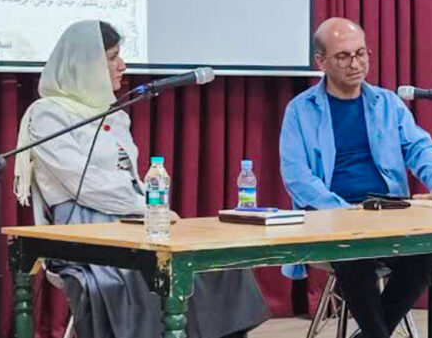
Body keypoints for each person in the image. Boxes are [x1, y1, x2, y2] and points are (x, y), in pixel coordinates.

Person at [13, 20, 269, 338]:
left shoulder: (116, 114)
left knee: (215, 263)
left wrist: (151, 208)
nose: (123, 65)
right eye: (112, 57)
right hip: (82, 227)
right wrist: (144, 206)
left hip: (134, 219)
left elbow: (131, 177)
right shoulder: (48, 114)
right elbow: (87, 185)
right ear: (84, 64)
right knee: (141, 274)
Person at [279, 17, 432, 338]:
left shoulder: (388, 103)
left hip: (387, 213)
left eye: (360, 53)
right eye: (343, 56)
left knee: (428, 253)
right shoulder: (300, 110)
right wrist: (343, 211)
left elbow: (420, 147)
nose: (355, 64)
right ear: (321, 62)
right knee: (354, 255)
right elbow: (297, 177)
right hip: (332, 218)